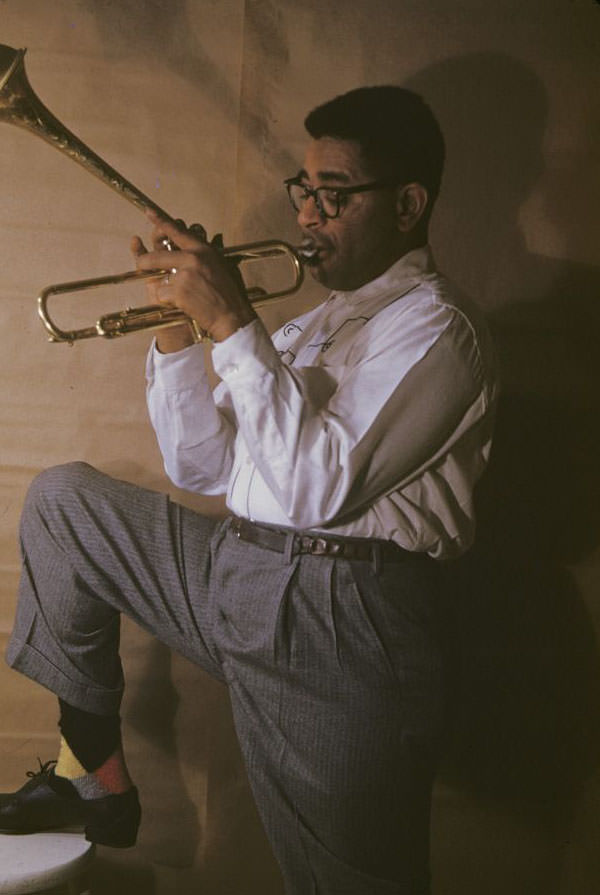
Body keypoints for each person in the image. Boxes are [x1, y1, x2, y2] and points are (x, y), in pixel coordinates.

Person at [1, 86, 497, 894]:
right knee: (67, 504)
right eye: (306, 191)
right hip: (240, 575)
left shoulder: (441, 330)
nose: (306, 215)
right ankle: (92, 779)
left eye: (333, 195)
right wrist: (178, 326)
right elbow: (203, 467)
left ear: (408, 204)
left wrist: (231, 324)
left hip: (347, 623)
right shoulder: (306, 326)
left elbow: (312, 490)